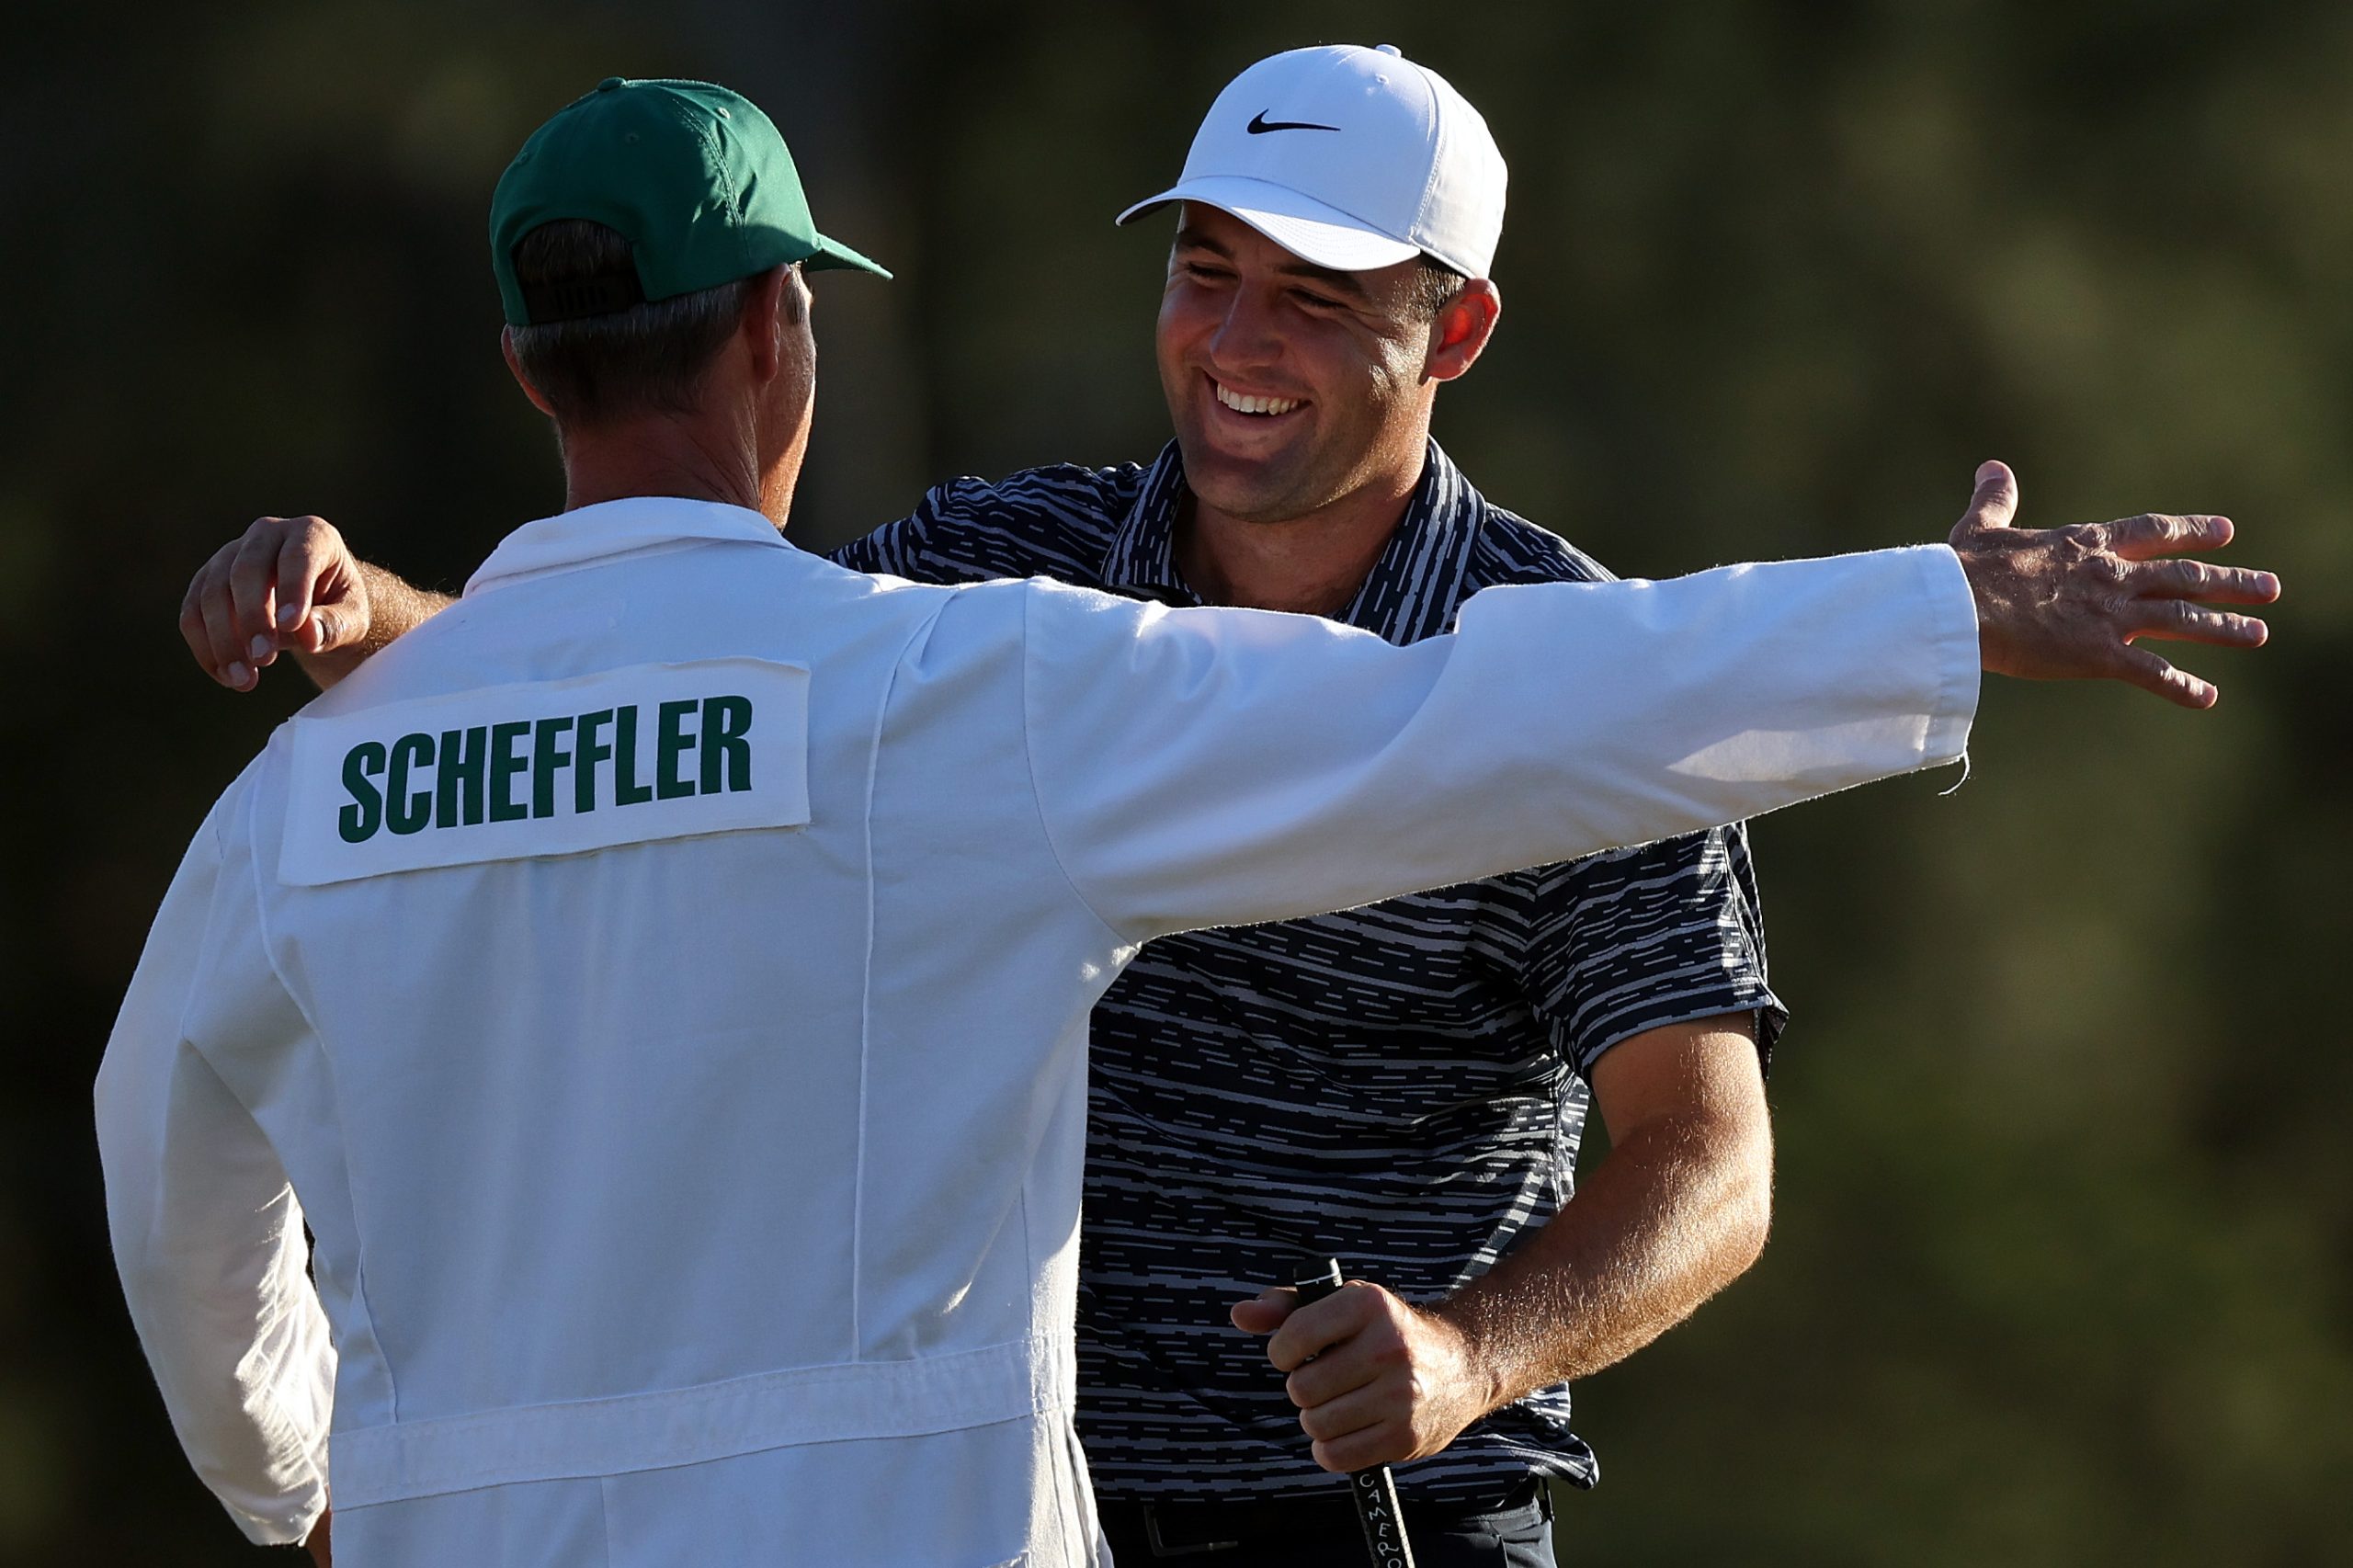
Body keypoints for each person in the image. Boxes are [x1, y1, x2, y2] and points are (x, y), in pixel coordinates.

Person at [170, 50, 2278, 1567]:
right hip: (1026, 1497)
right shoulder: (1007, 583)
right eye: (1203, 273)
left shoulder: (1582, 674)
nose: (1234, 342)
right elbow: (723, 673)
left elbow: (1708, 1163)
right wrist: (403, 632)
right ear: (773, 336)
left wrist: (1466, 1350)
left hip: (1388, 1520)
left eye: (1314, 295)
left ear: (1455, 326)